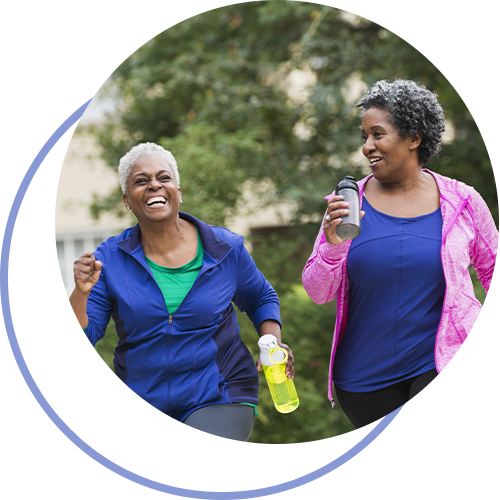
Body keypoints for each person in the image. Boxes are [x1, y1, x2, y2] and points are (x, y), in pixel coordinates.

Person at [302, 79, 498, 429]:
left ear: (414, 138)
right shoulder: (348, 202)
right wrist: (333, 246)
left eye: (377, 134)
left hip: (440, 365)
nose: (367, 147)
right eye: (364, 137)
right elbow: (318, 292)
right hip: (363, 381)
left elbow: (493, 268)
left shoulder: (463, 201)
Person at [70, 142, 295, 441]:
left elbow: (260, 298)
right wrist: (80, 294)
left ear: (178, 190)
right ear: (127, 199)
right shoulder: (110, 259)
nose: (154, 185)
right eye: (141, 181)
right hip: (142, 399)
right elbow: (84, 335)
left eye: (164, 178)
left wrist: (272, 343)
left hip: (220, 392)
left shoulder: (225, 248)